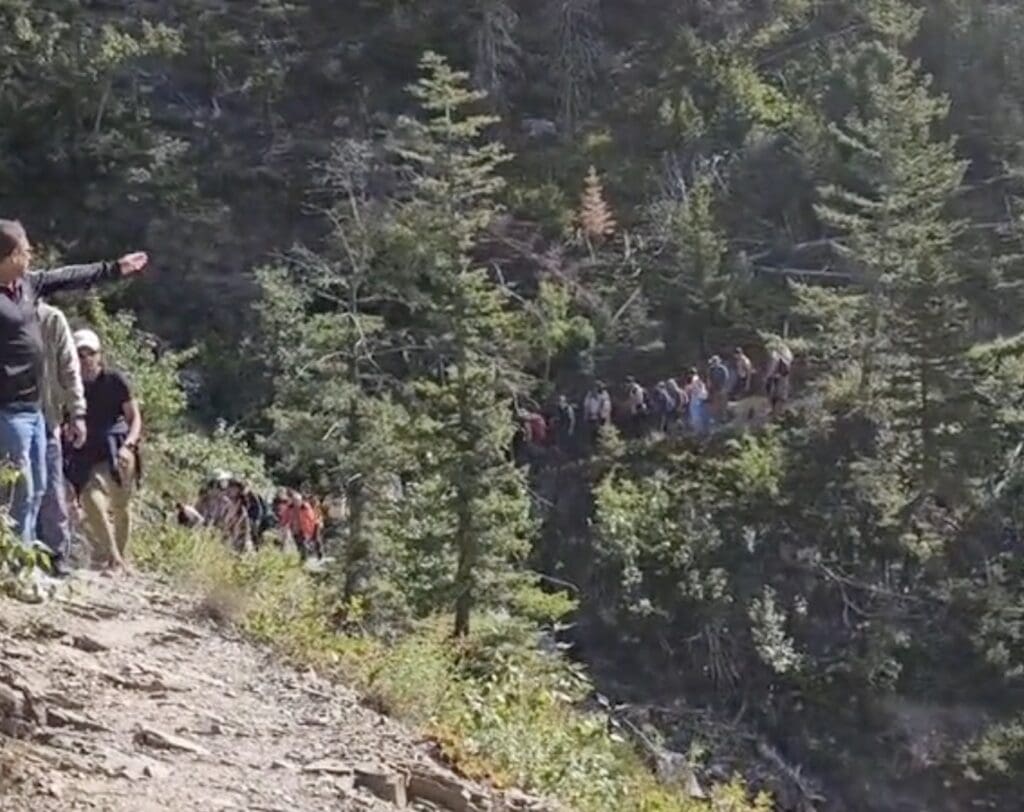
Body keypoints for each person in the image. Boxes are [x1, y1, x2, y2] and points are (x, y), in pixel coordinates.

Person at [0, 219, 147, 544]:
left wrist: (113, 269)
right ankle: (13, 570)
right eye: (25, 250)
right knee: (17, 492)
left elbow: (68, 277)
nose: (31, 255)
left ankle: (26, 560)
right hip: (7, 411)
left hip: (36, 408)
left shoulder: (27, 285)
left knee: (37, 488)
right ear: (9, 256)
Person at [66, 329, 143, 573]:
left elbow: (134, 417)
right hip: (87, 450)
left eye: (91, 353)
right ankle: (112, 555)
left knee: (121, 506)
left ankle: (119, 557)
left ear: (100, 355)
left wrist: (129, 445)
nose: (86, 359)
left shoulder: (115, 380)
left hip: (117, 444)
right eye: (80, 354)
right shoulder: (69, 384)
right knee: (90, 500)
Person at [36, 302, 87, 577]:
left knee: (50, 485)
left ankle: (55, 553)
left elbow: (69, 368)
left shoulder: (50, 319)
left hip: (46, 413)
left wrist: (77, 412)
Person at [765, 343, 793, 414]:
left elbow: (772, 368)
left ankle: (775, 411)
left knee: (774, 395)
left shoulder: (776, 357)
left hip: (776, 378)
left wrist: (768, 376)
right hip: (782, 377)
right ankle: (778, 412)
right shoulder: (787, 357)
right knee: (780, 395)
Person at [707, 355, 731, 425]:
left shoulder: (723, 369)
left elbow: (726, 379)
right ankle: (716, 419)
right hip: (714, 389)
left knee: (723, 405)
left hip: (722, 388)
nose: (714, 363)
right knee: (715, 405)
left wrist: (724, 387)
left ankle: (724, 419)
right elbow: (709, 379)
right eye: (713, 362)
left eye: (715, 361)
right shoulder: (711, 369)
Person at [685, 368, 709, 435]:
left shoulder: (694, 380)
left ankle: (699, 432)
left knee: (696, 416)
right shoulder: (698, 379)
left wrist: (687, 389)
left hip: (697, 399)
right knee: (701, 415)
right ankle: (702, 431)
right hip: (702, 398)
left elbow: (691, 389)